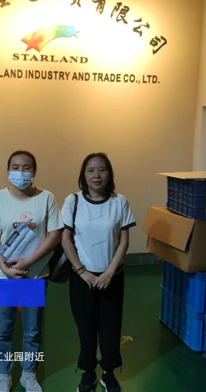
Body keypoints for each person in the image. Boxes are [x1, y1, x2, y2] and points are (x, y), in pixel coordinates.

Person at [0, 150, 63, 392]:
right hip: (4, 276)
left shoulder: (46, 198)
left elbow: (54, 235)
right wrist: (4, 267)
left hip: (35, 274)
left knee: (33, 328)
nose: (21, 172)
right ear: (8, 170)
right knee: (2, 328)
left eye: (26, 167)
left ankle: (28, 373)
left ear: (34, 171)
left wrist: (29, 261)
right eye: (15, 167)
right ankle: (3, 374)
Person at [61, 152, 136, 392]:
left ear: (109, 173)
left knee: (111, 328)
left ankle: (109, 372)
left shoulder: (119, 202)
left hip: (112, 278)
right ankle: (88, 372)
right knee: (86, 328)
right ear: (83, 175)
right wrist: (82, 271)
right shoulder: (73, 201)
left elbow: (124, 241)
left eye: (102, 169)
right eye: (90, 170)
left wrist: (109, 273)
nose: (96, 175)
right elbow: (65, 239)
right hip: (82, 279)